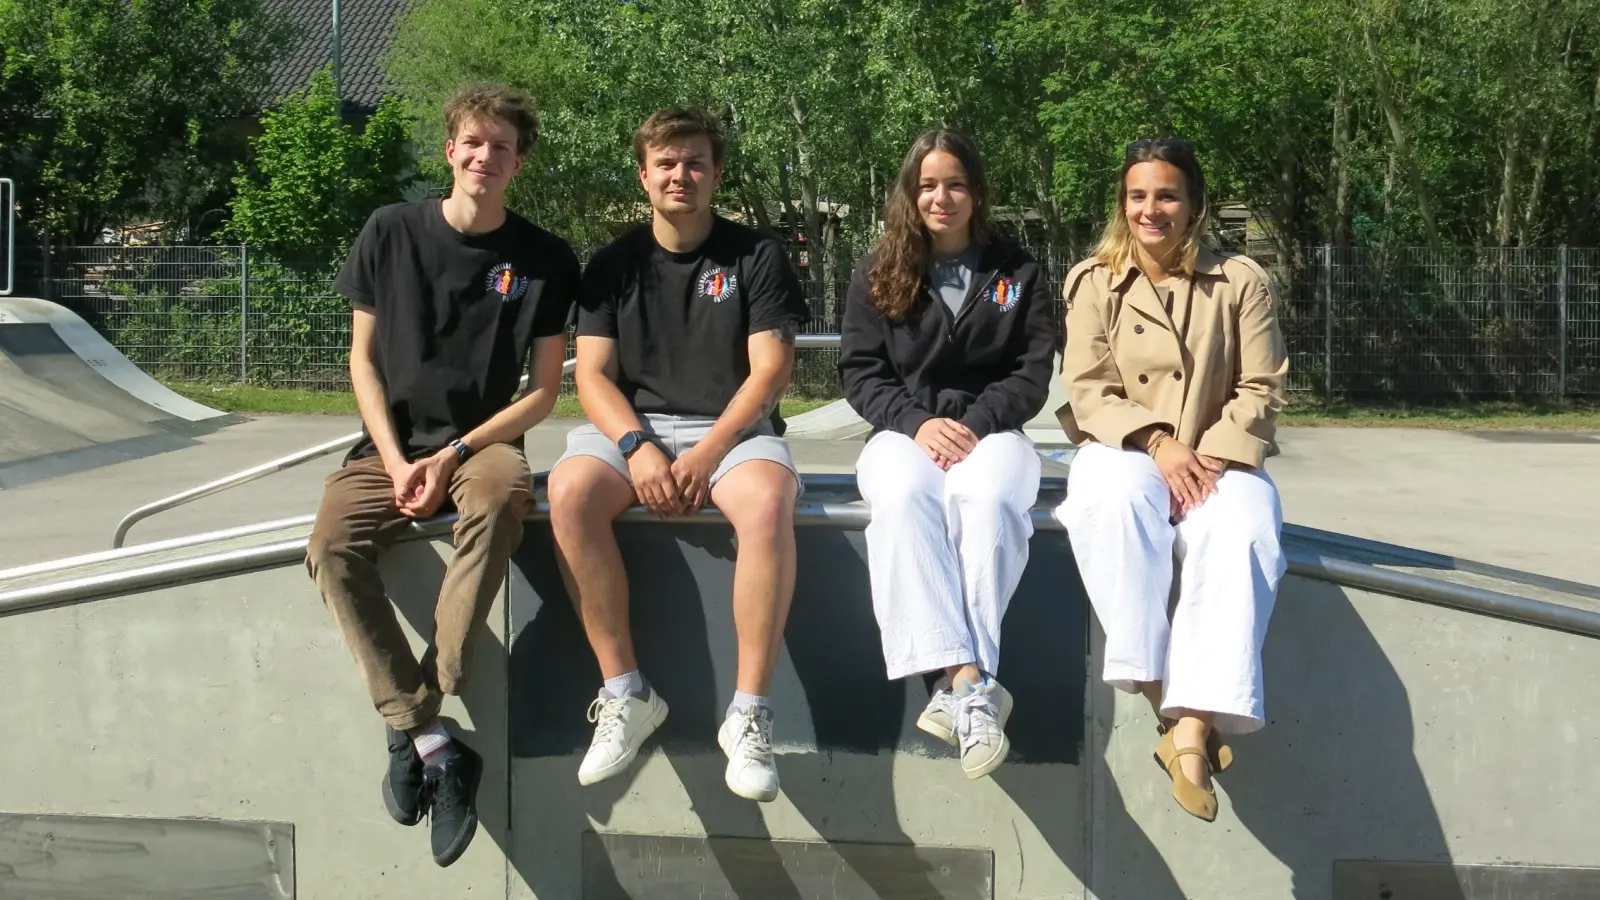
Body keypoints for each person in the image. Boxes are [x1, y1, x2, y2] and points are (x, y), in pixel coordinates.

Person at [305, 84, 579, 866]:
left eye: (502, 147)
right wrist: (395, 461)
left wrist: (453, 455)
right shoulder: (390, 231)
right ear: (450, 149)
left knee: (500, 501)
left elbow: (543, 393)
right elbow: (360, 359)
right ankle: (431, 739)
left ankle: (419, 709)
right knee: (330, 546)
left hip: (482, 442)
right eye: (473, 142)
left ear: (518, 162)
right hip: (388, 443)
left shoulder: (545, 258)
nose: (485, 157)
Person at [546, 107, 810, 802]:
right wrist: (636, 447)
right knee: (568, 493)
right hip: (634, 428)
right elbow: (594, 376)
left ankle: (749, 713)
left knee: (768, 502)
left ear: (716, 173)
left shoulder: (756, 255)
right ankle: (627, 692)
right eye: (665, 163)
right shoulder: (611, 265)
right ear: (643, 175)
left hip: (733, 429)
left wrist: (707, 452)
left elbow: (770, 372)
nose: (680, 175)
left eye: (694, 162)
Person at [1052, 138, 1288, 822]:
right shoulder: (1092, 280)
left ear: (1194, 205)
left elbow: (1262, 384)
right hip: (1125, 445)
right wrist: (1157, 443)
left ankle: (1187, 733)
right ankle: (1165, 696)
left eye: (1167, 195)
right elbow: (1089, 386)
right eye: (1137, 196)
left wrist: (1208, 454)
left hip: (1217, 452)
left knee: (1243, 529)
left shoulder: (1241, 280)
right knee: (1111, 500)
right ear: (1122, 204)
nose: (1151, 210)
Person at [837, 129, 1057, 779]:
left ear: (977, 192)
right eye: (928, 184)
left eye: (955, 183)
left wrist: (980, 422)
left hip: (994, 435)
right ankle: (969, 681)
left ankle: (959, 688)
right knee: (903, 498)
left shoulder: (1018, 272)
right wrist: (914, 422)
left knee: (986, 500)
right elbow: (861, 371)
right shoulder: (880, 269)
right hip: (903, 434)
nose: (942, 196)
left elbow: (1032, 371)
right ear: (911, 193)